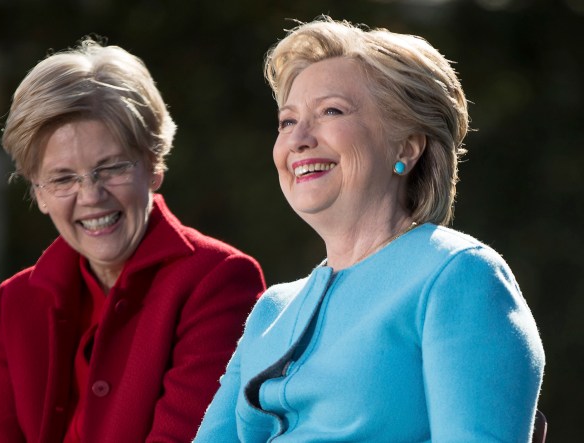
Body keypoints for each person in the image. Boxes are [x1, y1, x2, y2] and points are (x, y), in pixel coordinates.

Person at [194, 16, 545, 442]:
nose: (298, 139)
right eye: (287, 121)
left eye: (331, 111)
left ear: (407, 147)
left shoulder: (457, 275)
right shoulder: (272, 310)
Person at [0, 38, 266, 443]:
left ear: (154, 166)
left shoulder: (219, 281)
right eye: (63, 178)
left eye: (111, 168)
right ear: (37, 192)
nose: (90, 195)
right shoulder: (15, 301)